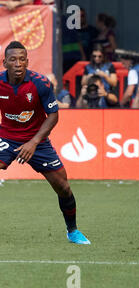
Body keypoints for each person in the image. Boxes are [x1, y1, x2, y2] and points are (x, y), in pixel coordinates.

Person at [0, 41, 90, 244]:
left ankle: (73, 231)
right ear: (5, 62)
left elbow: (53, 115)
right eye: (13, 59)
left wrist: (33, 142)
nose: (18, 63)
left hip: (37, 141)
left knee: (63, 187)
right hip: (6, 136)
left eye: (22, 59)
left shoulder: (40, 83)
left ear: (27, 62)